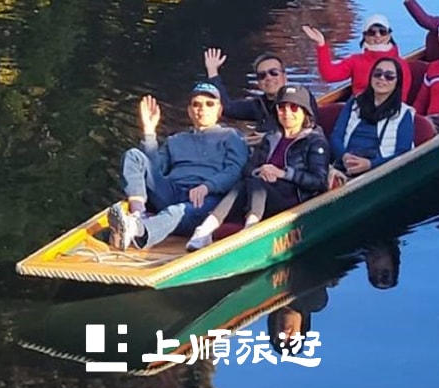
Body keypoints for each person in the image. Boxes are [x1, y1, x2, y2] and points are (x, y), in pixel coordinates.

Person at [186, 85, 332, 249]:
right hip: (263, 193)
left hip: (294, 198)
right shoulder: (271, 137)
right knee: (246, 182)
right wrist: (261, 171)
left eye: (294, 108)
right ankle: (205, 229)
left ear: (305, 111)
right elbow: (248, 168)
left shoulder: (315, 141)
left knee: (256, 184)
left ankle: (250, 228)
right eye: (282, 108)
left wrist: (283, 174)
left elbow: (319, 181)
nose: (287, 113)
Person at [108, 84, 250, 251]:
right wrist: (149, 132)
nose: (202, 109)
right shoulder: (176, 140)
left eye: (209, 104)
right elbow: (155, 169)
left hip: (206, 199)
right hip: (173, 191)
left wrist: (207, 186)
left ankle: (138, 230)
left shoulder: (231, 136)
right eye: (196, 104)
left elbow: (235, 170)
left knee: (177, 211)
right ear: (189, 111)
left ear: (219, 110)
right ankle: (138, 214)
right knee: (133, 155)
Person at [328, 56, 418, 180]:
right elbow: (336, 136)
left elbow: (403, 153)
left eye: (389, 76)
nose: (382, 78)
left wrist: (370, 165)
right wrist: (344, 156)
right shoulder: (354, 103)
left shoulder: (404, 113)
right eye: (378, 74)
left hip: (379, 171)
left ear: (398, 82)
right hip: (345, 164)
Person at [301, 15, 411, 107]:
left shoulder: (400, 64)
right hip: (358, 108)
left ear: (389, 35)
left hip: (389, 110)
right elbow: (329, 75)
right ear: (364, 36)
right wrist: (321, 45)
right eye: (372, 32)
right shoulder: (355, 60)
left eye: (382, 32)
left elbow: (402, 97)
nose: (377, 36)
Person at [203, 47, 286, 136]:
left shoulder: (299, 100)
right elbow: (226, 108)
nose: (268, 78)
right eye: (262, 75)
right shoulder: (257, 105)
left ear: (284, 76)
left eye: (274, 72)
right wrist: (212, 72)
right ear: (258, 82)